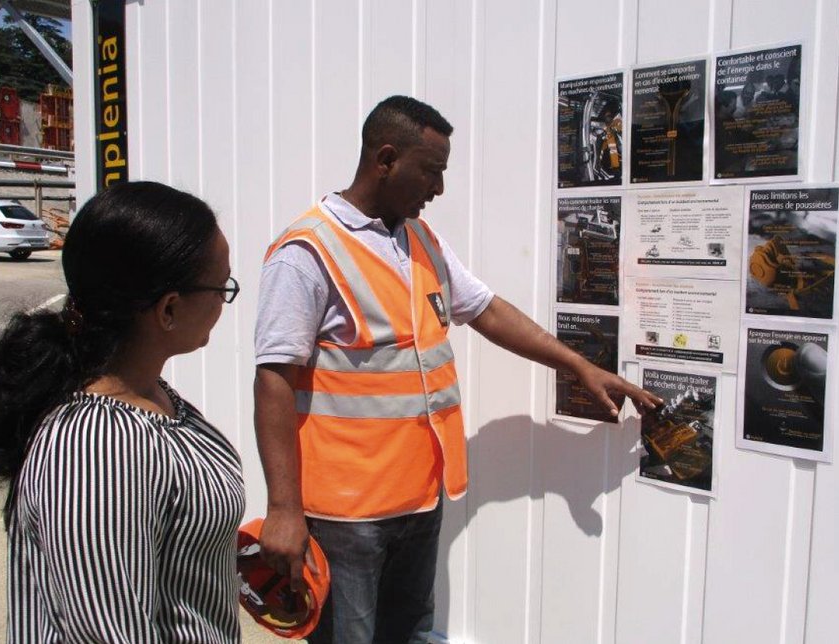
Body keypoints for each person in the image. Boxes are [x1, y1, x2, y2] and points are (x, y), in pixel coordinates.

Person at [253, 95, 662, 644]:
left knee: (410, 633)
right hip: (346, 516)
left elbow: (487, 310)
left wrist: (579, 366)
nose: (439, 188)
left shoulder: (420, 240)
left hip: (419, 499)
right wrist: (283, 508)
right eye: (431, 171)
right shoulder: (307, 252)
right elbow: (273, 380)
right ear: (386, 159)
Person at [0, 181, 246, 643]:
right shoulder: (96, 449)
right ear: (168, 309)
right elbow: (106, 630)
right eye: (221, 286)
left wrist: (217, 553)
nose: (223, 300)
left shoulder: (151, 396)